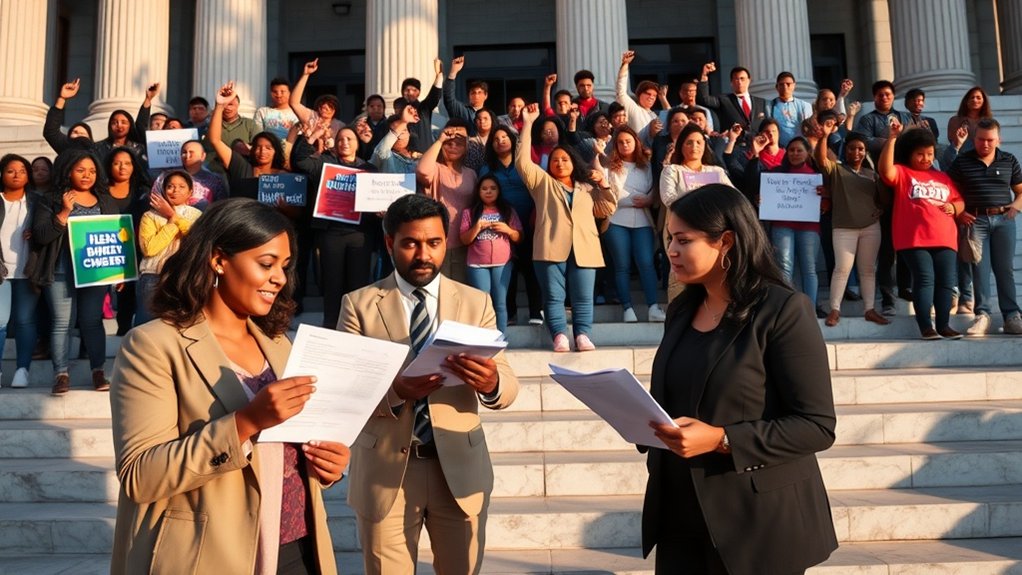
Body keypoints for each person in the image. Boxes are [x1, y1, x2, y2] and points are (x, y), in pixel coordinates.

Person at [110, 198, 348, 574]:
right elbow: (141, 476)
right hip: (210, 553)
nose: (279, 278)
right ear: (219, 260)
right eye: (266, 264)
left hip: (299, 545)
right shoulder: (152, 345)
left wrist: (325, 465)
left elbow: (286, 452)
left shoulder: (278, 342)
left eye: (284, 266)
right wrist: (246, 422)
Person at [644, 183, 838, 574]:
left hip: (757, 521)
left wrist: (722, 439)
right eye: (670, 239)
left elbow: (816, 426)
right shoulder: (681, 310)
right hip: (681, 513)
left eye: (684, 240)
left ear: (726, 241)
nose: (671, 250)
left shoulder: (783, 310)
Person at [337, 193, 518, 575]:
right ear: (390, 242)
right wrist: (396, 392)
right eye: (410, 243)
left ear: (445, 241)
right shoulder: (358, 305)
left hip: (459, 471)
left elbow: (507, 382)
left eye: (434, 243)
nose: (423, 254)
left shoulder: (476, 302)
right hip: (384, 474)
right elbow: (346, 392)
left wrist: (491, 383)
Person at [517, 104, 617, 352]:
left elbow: (606, 209)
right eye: (555, 160)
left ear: (574, 163)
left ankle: (582, 335)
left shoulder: (587, 187)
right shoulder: (542, 183)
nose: (560, 163)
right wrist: (528, 123)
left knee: (583, 297)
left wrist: (604, 184)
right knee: (553, 296)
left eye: (565, 159)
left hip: (585, 247)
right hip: (550, 247)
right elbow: (522, 163)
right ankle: (559, 334)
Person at [25, 148, 119, 394]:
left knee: (92, 321)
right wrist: (64, 212)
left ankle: (98, 371)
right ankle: (61, 374)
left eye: (92, 171)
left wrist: (119, 271)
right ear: (68, 171)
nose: (87, 175)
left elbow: (116, 236)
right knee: (61, 323)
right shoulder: (51, 199)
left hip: (96, 272)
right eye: (81, 170)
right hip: (60, 270)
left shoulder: (106, 200)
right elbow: (41, 236)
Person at [878, 122, 965, 340]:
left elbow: (959, 200)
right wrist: (892, 138)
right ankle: (926, 327)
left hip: (945, 238)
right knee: (925, 279)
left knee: (946, 282)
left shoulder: (942, 177)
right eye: (920, 154)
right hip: (914, 239)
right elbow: (885, 171)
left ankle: (944, 325)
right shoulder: (902, 173)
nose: (926, 158)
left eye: (930, 154)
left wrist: (955, 207)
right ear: (909, 154)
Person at [292, 125, 377, 329]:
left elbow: (375, 200)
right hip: (331, 234)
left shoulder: (369, 169)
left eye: (349, 139)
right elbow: (300, 161)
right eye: (340, 139)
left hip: (359, 235)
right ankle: (331, 324)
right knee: (332, 283)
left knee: (357, 284)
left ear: (357, 144)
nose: (344, 143)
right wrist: (313, 136)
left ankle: (356, 326)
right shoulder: (324, 164)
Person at [945, 118, 1022, 336]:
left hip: (1004, 221)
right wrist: (959, 212)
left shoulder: (1009, 160)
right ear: (974, 138)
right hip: (975, 221)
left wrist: (1015, 207)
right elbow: (949, 190)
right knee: (980, 269)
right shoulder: (962, 161)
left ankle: (1012, 316)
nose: (985, 144)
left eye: (990, 140)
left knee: (1005, 269)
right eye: (981, 139)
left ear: (998, 140)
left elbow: (1020, 190)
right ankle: (982, 315)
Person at [816, 129, 889, 326]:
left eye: (860, 149)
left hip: (871, 228)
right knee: (842, 269)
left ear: (865, 152)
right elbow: (821, 159)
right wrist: (824, 136)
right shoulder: (837, 170)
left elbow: (883, 199)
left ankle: (869, 310)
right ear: (845, 150)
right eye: (851, 148)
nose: (856, 152)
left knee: (868, 270)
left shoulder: (872, 175)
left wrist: (880, 209)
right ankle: (834, 310)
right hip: (843, 228)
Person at [480, 125, 543, 325]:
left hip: (530, 223)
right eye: (496, 139)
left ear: (512, 140)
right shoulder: (487, 169)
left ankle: (536, 312)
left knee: (531, 267)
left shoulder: (524, 164)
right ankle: (511, 314)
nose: (500, 141)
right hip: (501, 227)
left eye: (504, 137)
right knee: (508, 271)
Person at [602, 125, 666, 323]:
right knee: (622, 265)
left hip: (643, 220)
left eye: (628, 141)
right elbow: (611, 193)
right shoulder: (609, 166)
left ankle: (653, 307)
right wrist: (635, 199)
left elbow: (654, 188)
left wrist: (649, 199)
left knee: (646, 263)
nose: (624, 145)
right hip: (616, 220)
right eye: (620, 142)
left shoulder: (646, 164)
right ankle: (627, 308)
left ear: (636, 142)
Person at [134, 170, 202, 326]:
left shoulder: (197, 215)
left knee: (179, 325)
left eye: (181, 187)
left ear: (190, 192)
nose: (175, 190)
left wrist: (173, 215)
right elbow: (149, 249)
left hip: (184, 277)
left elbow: (196, 240)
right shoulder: (149, 216)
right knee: (146, 325)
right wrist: (172, 223)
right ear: (164, 190)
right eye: (170, 186)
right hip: (153, 276)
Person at [416, 118, 478, 282]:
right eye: (449, 144)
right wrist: (440, 140)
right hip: (438, 239)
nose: (453, 147)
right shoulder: (435, 168)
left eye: (459, 144)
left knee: (460, 288)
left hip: (464, 241)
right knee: (437, 287)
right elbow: (422, 171)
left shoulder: (471, 174)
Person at [459, 174, 523, 332]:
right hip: (477, 264)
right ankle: (484, 338)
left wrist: (508, 230)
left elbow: (519, 237)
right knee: (483, 303)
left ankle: (501, 338)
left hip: (503, 263)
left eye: (493, 188)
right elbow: (464, 239)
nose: (488, 191)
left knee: (500, 303)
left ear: (499, 191)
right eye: (484, 188)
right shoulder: (469, 212)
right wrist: (477, 227)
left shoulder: (507, 210)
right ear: (478, 191)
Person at [0, 154, 41, 388]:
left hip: (28, 270)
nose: (16, 175)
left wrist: (36, 233)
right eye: (10, 171)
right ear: (2, 174)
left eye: (22, 171)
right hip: (1, 272)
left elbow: (46, 230)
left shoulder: (36, 202)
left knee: (25, 321)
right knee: (0, 322)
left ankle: (22, 370)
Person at [208, 81, 288, 198]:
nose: (262, 151)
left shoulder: (284, 176)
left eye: (268, 148)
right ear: (252, 149)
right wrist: (219, 106)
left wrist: (285, 206)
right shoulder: (242, 166)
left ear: (276, 151)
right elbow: (215, 140)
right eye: (258, 147)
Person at [105, 147, 151, 334]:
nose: (122, 167)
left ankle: (124, 332)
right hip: (105, 251)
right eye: (117, 163)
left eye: (127, 163)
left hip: (134, 252)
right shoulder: (99, 192)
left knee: (128, 298)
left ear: (134, 166)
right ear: (109, 166)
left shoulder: (143, 193)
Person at [150, 139, 229, 211]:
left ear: (203, 156)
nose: (187, 156)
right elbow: (155, 199)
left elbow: (221, 206)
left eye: (191, 153)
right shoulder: (166, 176)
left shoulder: (215, 180)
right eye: (184, 153)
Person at [696, 62, 767, 139]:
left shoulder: (761, 102)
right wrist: (704, 75)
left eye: (742, 79)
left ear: (749, 81)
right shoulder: (724, 100)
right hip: (734, 143)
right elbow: (704, 99)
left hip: (757, 143)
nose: (739, 82)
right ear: (731, 82)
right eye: (736, 79)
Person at [290, 58, 345, 154]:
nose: (325, 108)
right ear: (318, 107)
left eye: (330, 106)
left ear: (335, 111)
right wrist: (306, 74)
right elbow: (294, 103)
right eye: (322, 105)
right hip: (307, 157)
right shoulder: (311, 117)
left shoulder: (340, 126)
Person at [616, 50, 660, 145]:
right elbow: (621, 92)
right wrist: (625, 64)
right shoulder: (634, 108)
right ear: (639, 94)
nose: (651, 97)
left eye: (654, 95)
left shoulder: (656, 116)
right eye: (648, 94)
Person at [400, 59, 444, 152]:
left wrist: (439, 76)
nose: (410, 93)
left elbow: (434, 97)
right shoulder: (398, 111)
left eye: (414, 90)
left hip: (423, 155)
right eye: (407, 90)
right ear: (402, 92)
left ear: (419, 93)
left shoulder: (423, 109)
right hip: (403, 156)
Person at [766, 72, 815, 147]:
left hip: (800, 147)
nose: (785, 87)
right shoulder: (769, 106)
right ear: (777, 87)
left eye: (788, 84)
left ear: (794, 86)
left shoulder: (805, 106)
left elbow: (809, 129)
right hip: (779, 148)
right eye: (781, 84)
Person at [443, 55, 488, 134]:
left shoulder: (489, 116)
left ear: (486, 95)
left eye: (479, 92)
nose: (476, 95)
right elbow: (448, 97)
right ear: (469, 95)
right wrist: (453, 72)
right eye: (473, 92)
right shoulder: (462, 110)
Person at [946, 86, 992, 154]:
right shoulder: (955, 120)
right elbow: (953, 142)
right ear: (966, 101)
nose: (975, 100)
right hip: (961, 155)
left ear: (984, 101)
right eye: (972, 97)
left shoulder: (989, 122)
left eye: (978, 98)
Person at [253, 77, 299, 141]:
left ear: (289, 93)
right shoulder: (262, 112)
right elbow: (257, 134)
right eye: (275, 92)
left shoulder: (297, 113)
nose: (278, 95)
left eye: (282, 92)